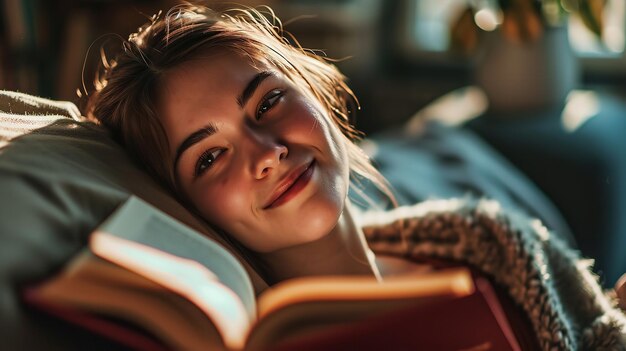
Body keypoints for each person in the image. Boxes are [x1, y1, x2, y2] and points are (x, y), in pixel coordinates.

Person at [86, 4, 626, 349]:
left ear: (316, 96)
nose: (267, 152)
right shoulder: (273, 337)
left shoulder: (482, 238)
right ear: (186, 206)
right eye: (208, 158)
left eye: (268, 101)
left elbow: (599, 330)